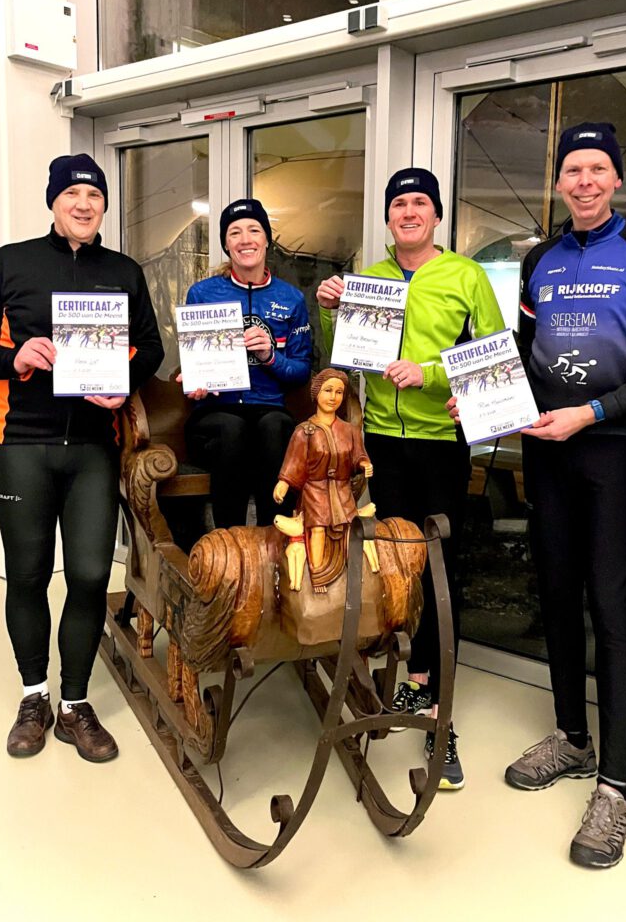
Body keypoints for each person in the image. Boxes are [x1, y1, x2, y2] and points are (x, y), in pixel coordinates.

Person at [450, 122, 626, 866]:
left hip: (609, 452)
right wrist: (481, 397)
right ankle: (573, 741)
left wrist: (590, 412)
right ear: (558, 183)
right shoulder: (541, 261)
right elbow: (519, 357)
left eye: (595, 169)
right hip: (542, 454)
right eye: (571, 170)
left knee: (611, 606)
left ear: (614, 179)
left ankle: (615, 788)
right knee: (553, 592)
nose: (582, 181)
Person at [0, 153, 163, 763]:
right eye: (72, 194)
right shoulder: (10, 263)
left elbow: (148, 347)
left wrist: (124, 382)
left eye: (94, 196)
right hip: (19, 441)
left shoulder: (123, 271)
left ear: (104, 207)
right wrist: (15, 356)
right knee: (26, 574)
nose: (84, 204)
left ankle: (75, 704)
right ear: (54, 201)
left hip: (94, 447)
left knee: (93, 574)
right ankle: (35, 695)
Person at [317, 168, 504, 789]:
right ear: (389, 217)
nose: (409, 212)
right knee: (396, 565)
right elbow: (343, 357)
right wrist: (328, 312)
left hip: (442, 443)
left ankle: (437, 708)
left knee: (439, 567)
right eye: (399, 204)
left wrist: (431, 374)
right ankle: (407, 680)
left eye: (420, 202)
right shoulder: (368, 278)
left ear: (437, 216)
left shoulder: (466, 277)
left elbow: (495, 360)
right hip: (384, 444)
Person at [182, 198, 311, 530]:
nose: (245, 239)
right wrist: (193, 380)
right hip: (216, 414)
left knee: (272, 428)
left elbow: (300, 372)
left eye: (254, 230)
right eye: (235, 232)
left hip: (268, 410)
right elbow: (193, 365)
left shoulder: (291, 298)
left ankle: (275, 539)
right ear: (226, 244)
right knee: (231, 428)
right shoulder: (202, 294)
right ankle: (231, 542)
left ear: (267, 239)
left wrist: (270, 356)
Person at [274, 368, 373, 574]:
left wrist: (364, 464)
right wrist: (284, 483)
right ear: (316, 393)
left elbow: (358, 455)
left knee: (350, 527)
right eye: (328, 390)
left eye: (338, 392)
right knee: (318, 527)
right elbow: (295, 462)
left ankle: (352, 571)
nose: (333, 397)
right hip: (315, 491)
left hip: (341, 489)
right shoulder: (304, 431)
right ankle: (317, 572)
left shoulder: (350, 430)